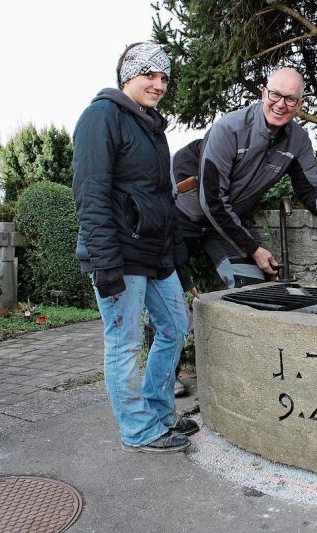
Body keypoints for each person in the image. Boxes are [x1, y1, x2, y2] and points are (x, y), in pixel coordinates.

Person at [72, 42, 199, 453]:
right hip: (119, 257)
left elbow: (163, 200)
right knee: (124, 344)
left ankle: (159, 414)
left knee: (175, 327)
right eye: (149, 74)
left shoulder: (151, 126)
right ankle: (138, 429)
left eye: (164, 77)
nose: (159, 84)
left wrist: (180, 263)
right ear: (127, 75)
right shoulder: (101, 116)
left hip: (156, 257)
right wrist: (105, 265)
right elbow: (90, 195)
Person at [171, 68, 317, 287]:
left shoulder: (298, 140)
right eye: (275, 94)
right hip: (180, 215)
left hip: (222, 227)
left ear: (300, 105)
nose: (281, 104)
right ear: (263, 94)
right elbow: (212, 199)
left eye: (290, 99)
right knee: (171, 298)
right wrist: (253, 249)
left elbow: (310, 186)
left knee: (252, 288)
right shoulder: (229, 128)